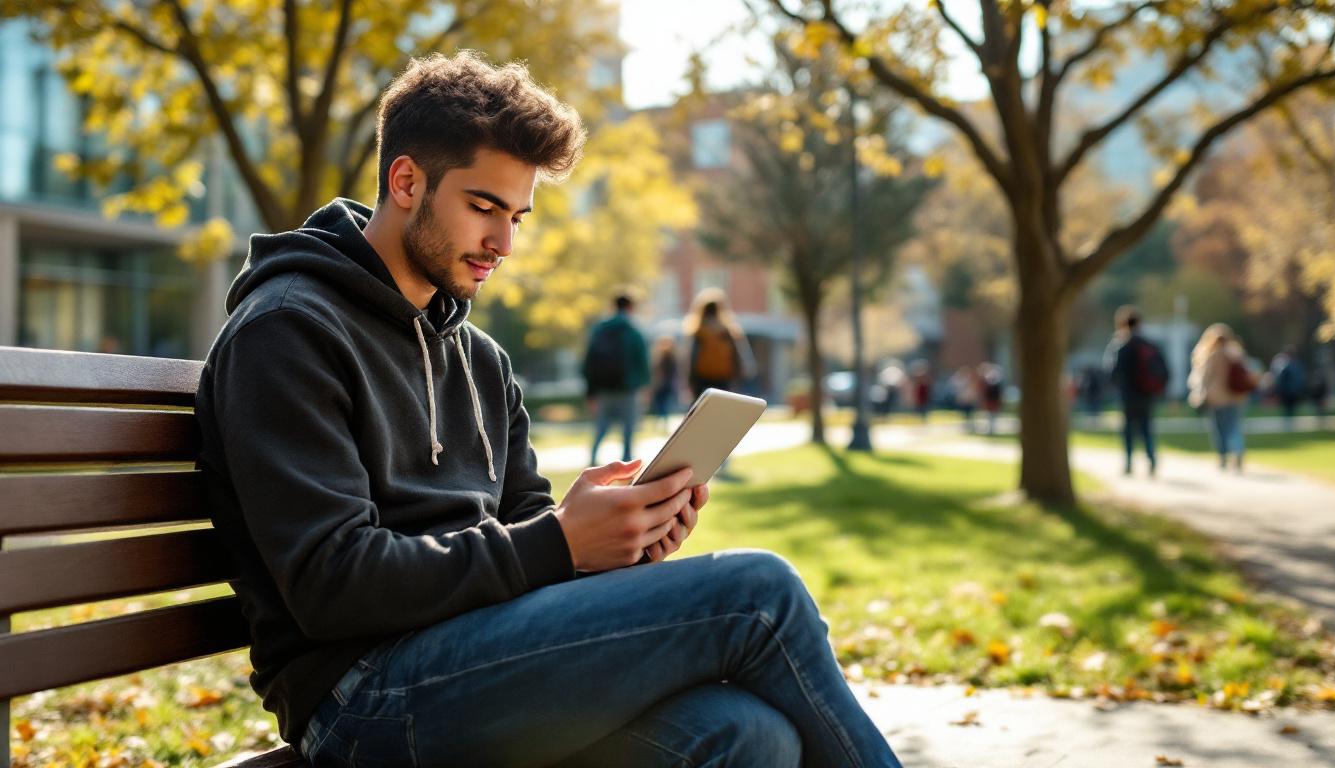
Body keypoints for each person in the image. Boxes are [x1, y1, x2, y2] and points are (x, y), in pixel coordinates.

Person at [193, 52, 901, 768]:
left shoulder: (481, 360)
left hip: (478, 663)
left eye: (516, 216)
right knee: (757, 593)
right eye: (483, 208)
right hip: (362, 698)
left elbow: (527, 534)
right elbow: (332, 584)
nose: (503, 244)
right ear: (405, 182)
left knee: (746, 731)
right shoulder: (286, 331)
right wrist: (561, 541)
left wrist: (618, 543)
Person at [582, 294, 650, 465]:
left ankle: (593, 459)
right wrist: (645, 385)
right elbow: (642, 361)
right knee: (628, 429)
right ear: (630, 307)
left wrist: (590, 392)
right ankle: (627, 463)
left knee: (601, 427)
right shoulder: (633, 331)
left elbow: (589, 362)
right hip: (628, 389)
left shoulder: (600, 330)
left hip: (604, 389)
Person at [1103, 306, 1168, 476]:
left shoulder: (1119, 346)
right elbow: (1163, 369)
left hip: (1128, 395)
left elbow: (1112, 372)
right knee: (1146, 428)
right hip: (1147, 394)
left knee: (1128, 430)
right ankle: (1151, 458)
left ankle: (1128, 463)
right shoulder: (1149, 345)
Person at [1188, 322, 1253, 473]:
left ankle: (1223, 456)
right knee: (1234, 426)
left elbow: (1205, 378)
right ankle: (1237, 451)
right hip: (1236, 397)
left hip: (1217, 398)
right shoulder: (1237, 354)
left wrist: (1199, 395)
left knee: (1220, 429)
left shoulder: (1212, 355)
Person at [684, 287, 755, 399]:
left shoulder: (698, 331)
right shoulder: (728, 331)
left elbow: (692, 357)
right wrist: (740, 374)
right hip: (724, 378)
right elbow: (738, 355)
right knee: (722, 405)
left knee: (703, 406)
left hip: (702, 378)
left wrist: (690, 380)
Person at [647, 335, 680, 431]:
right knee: (663, 404)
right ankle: (663, 422)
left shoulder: (660, 356)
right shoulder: (672, 356)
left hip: (661, 385)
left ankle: (661, 422)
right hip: (667, 384)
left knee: (661, 405)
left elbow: (655, 372)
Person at [1271, 345, 1306, 423]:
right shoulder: (1299, 365)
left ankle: (1288, 424)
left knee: (1287, 412)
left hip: (1287, 393)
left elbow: (1282, 380)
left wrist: (1278, 391)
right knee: (1293, 411)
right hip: (1296, 392)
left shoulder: (1287, 366)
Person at [979, 362, 1004, 435]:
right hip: (990, 401)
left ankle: (992, 429)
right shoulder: (988, 384)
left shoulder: (995, 385)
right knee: (989, 416)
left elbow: (998, 394)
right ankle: (990, 429)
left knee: (993, 416)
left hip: (993, 400)